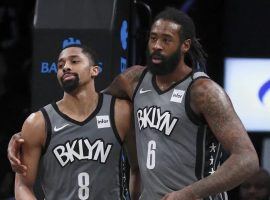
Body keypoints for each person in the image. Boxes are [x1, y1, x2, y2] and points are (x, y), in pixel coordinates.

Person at [8, 7, 258, 200]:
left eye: (167, 40)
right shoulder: (134, 80)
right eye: (153, 38)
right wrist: (24, 135)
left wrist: (190, 193)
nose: (157, 46)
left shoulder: (204, 92)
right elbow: (84, 109)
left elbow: (247, 160)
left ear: (185, 46)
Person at [13, 43, 140, 199]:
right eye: (60, 65)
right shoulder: (38, 123)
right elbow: (22, 185)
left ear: (94, 70)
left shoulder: (120, 112)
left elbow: (138, 168)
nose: (65, 67)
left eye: (74, 61)